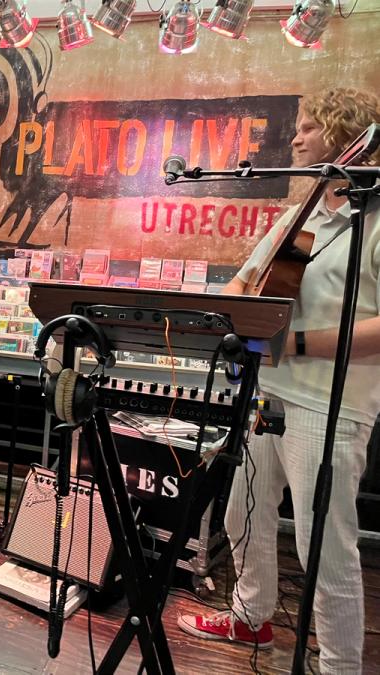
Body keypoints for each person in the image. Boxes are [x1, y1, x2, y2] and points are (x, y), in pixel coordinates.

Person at [178, 88, 380, 674]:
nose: (295, 139)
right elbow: (244, 282)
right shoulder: (306, 216)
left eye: (311, 128)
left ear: (348, 138)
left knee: (325, 542)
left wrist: (290, 343)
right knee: (243, 504)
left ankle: (339, 665)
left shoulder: (373, 220)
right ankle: (251, 615)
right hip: (270, 392)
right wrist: (242, 312)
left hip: (331, 403)